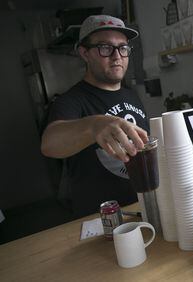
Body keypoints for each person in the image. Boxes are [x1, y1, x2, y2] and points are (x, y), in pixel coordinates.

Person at [41, 15, 149, 217]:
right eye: (105, 48)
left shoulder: (131, 95)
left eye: (123, 48)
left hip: (141, 205)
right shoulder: (71, 101)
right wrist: (94, 125)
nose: (117, 56)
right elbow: (49, 144)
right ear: (84, 53)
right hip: (101, 216)